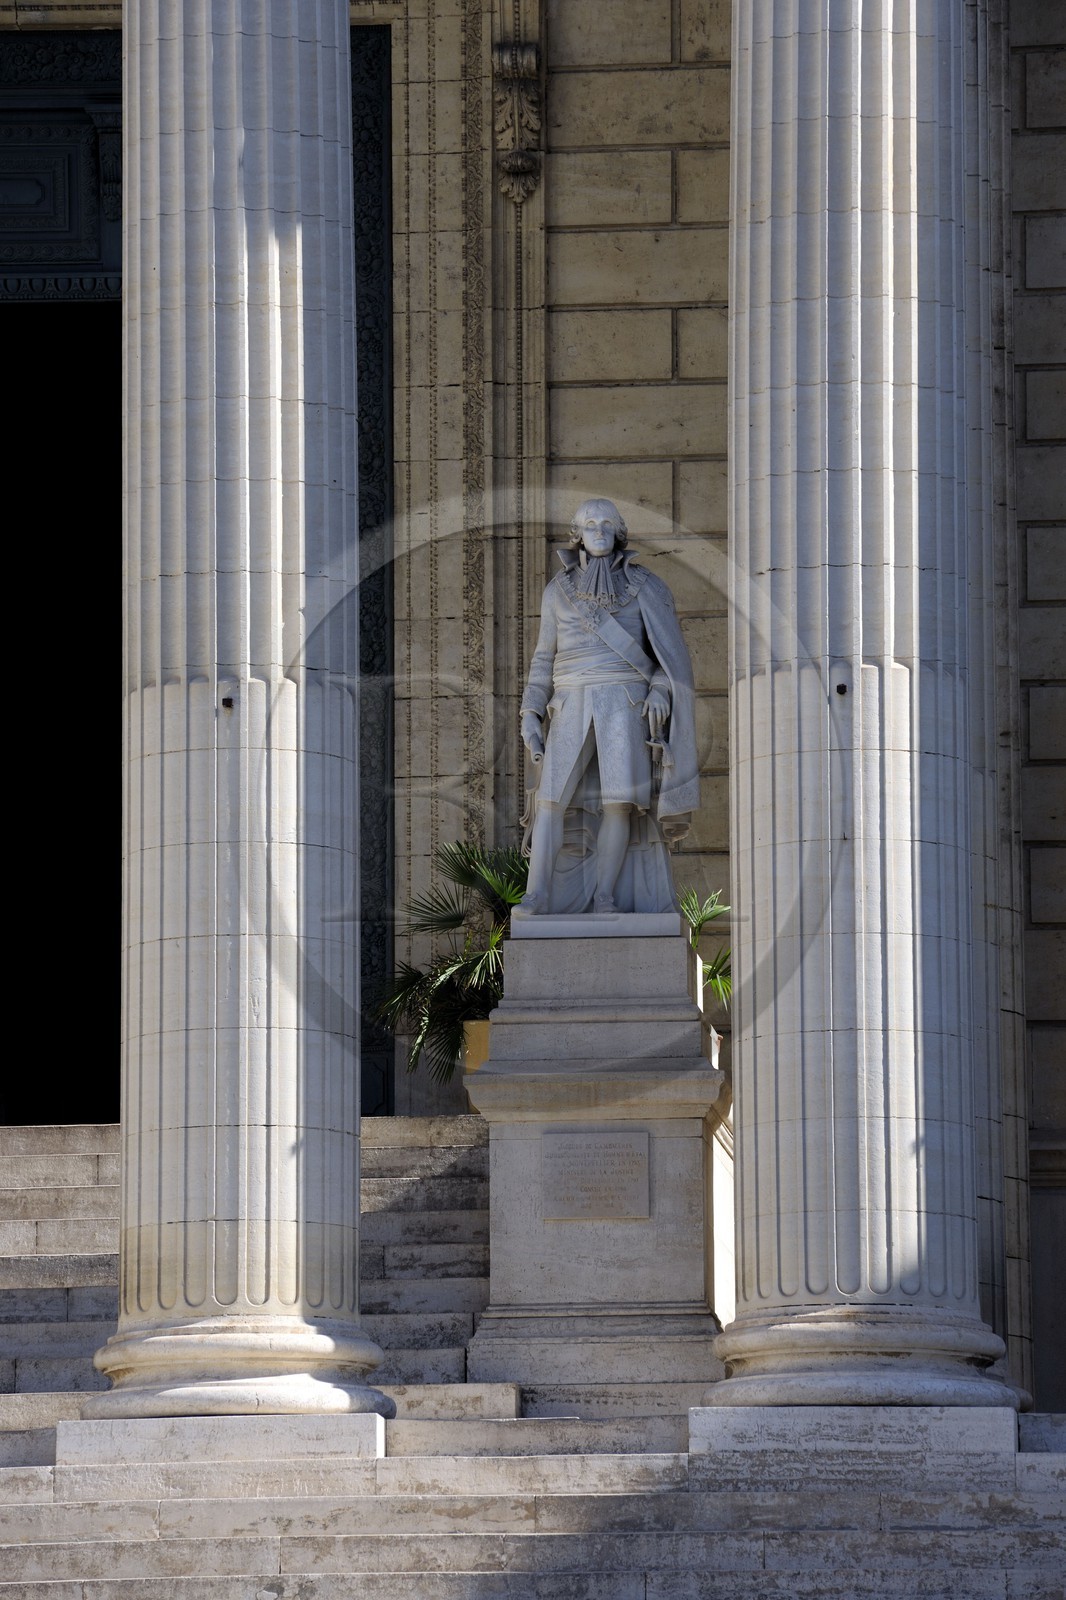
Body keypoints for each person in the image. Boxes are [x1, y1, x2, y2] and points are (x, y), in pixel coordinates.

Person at [518, 498, 699, 915]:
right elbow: (543, 658)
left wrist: (659, 690)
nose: (598, 530)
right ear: (576, 534)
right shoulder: (556, 592)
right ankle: (537, 894)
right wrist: (530, 711)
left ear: (619, 531)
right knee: (550, 801)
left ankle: (605, 897)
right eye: (589, 524)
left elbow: (669, 660)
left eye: (606, 523)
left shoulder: (648, 586)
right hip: (568, 703)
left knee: (619, 803)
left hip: (626, 704)